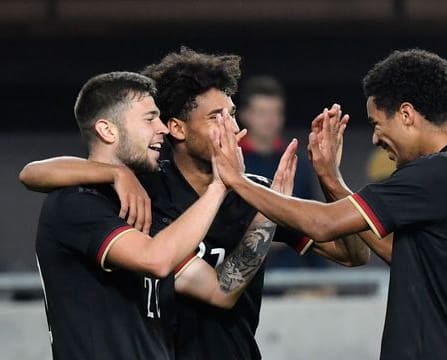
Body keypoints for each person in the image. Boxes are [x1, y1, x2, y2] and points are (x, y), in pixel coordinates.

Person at [20, 47, 369, 360]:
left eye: (232, 114)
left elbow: (352, 254)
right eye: (216, 117)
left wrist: (329, 180)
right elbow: (34, 173)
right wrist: (115, 174)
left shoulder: (255, 193)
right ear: (178, 129)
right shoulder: (146, 192)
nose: (232, 127)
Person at [210, 49, 447, 360]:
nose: (375, 138)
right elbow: (403, 255)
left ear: (406, 114)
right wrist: (333, 181)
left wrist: (237, 180)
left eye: (377, 123)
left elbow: (323, 224)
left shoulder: (435, 174)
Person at [24, 71, 238, 359]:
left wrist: (265, 218)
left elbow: (220, 290)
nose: (161, 128)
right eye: (150, 118)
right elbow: (156, 260)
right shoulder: (75, 202)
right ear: (108, 130)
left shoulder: (142, 206)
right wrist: (220, 185)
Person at [238, 75, 333, 271]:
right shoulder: (230, 163)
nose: (269, 120)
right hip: (238, 269)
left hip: (290, 274)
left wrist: (323, 278)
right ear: (245, 114)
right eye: (261, 113)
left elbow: (312, 221)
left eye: (275, 113)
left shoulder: (297, 163)